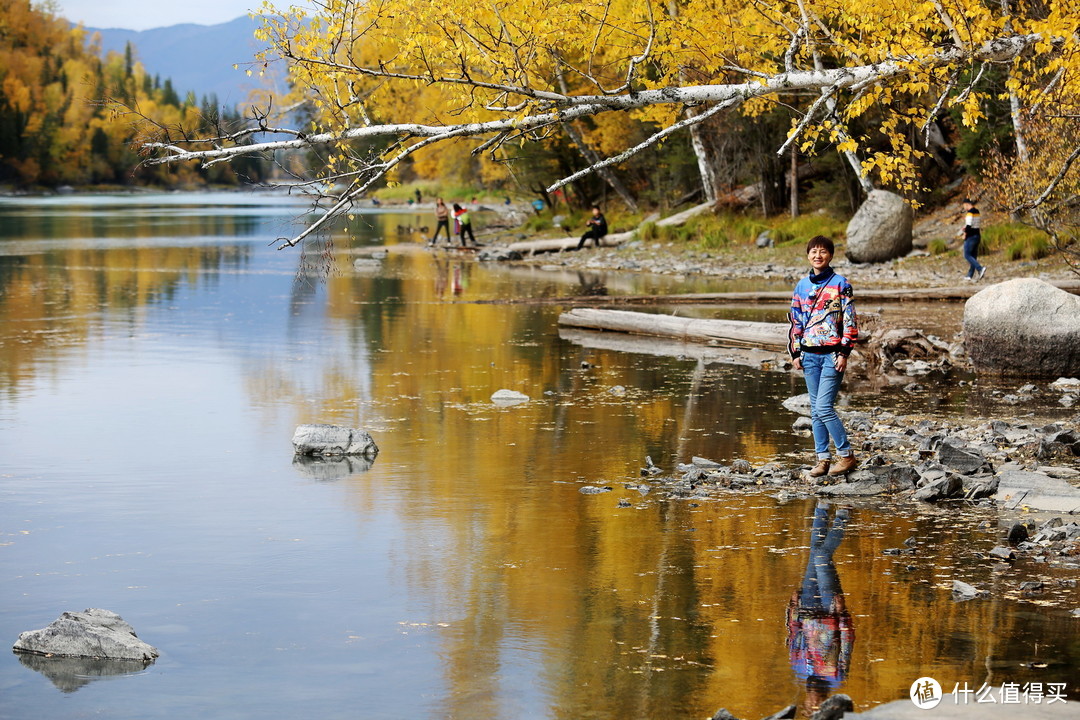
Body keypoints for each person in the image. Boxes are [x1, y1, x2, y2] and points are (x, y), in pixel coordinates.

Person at [789, 235, 858, 477]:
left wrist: (845, 351)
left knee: (824, 406)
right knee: (816, 410)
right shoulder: (801, 286)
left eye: (823, 251)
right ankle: (822, 460)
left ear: (830, 255)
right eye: (813, 252)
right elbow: (796, 321)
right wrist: (796, 351)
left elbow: (850, 320)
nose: (818, 255)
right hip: (809, 355)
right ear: (808, 255)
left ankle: (847, 455)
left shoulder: (841, 284)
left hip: (832, 355)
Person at [787, 502, 854, 717]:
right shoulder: (836, 676)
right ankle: (843, 514)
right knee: (822, 557)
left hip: (806, 606)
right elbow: (847, 643)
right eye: (816, 707)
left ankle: (822, 508)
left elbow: (793, 635)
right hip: (830, 608)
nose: (813, 703)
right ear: (825, 706)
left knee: (814, 551)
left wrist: (792, 609)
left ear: (804, 703)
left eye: (809, 707)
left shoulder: (798, 668)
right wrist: (843, 614)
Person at [957, 197, 986, 281]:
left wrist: (965, 233)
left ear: (966, 204)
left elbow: (969, 226)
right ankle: (970, 275)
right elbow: (974, 224)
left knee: (967, 255)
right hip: (977, 235)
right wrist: (965, 227)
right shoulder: (977, 211)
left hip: (970, 237)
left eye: (964, 206)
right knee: (973, 256)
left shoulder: (969, 213)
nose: (964, 208)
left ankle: (980, 268)